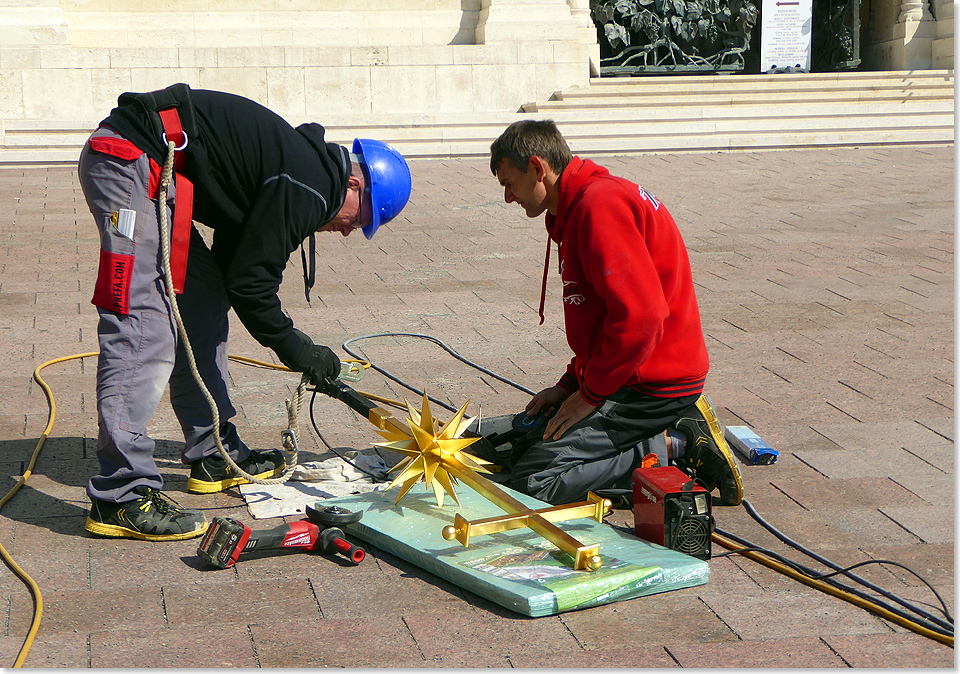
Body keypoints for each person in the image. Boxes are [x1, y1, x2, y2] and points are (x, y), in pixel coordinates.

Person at [77, 83, 412, 541]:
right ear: (355, 184)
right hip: (127, 160)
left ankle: (213, 453)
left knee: (204, 297)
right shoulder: (306, 185)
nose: (352, 230)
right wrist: (300, 349)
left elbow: (237, 275)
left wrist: (297, 347)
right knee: (143, 324)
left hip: (156, 171)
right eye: (362, 217)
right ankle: (121, 494)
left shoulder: (302, 174)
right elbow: (254, 288)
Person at [472, 119, 742, 508]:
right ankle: (660, 437)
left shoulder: (599, 205)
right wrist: (570, 384)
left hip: (651, 385)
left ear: (537, 167)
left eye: (508, 183)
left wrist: (590, 394)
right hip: (628, 374)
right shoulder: (579, 205)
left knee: (533, 483)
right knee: (515, 449)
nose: (508, 197)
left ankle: (678, 445)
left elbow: (642, 318)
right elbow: (602, 317)